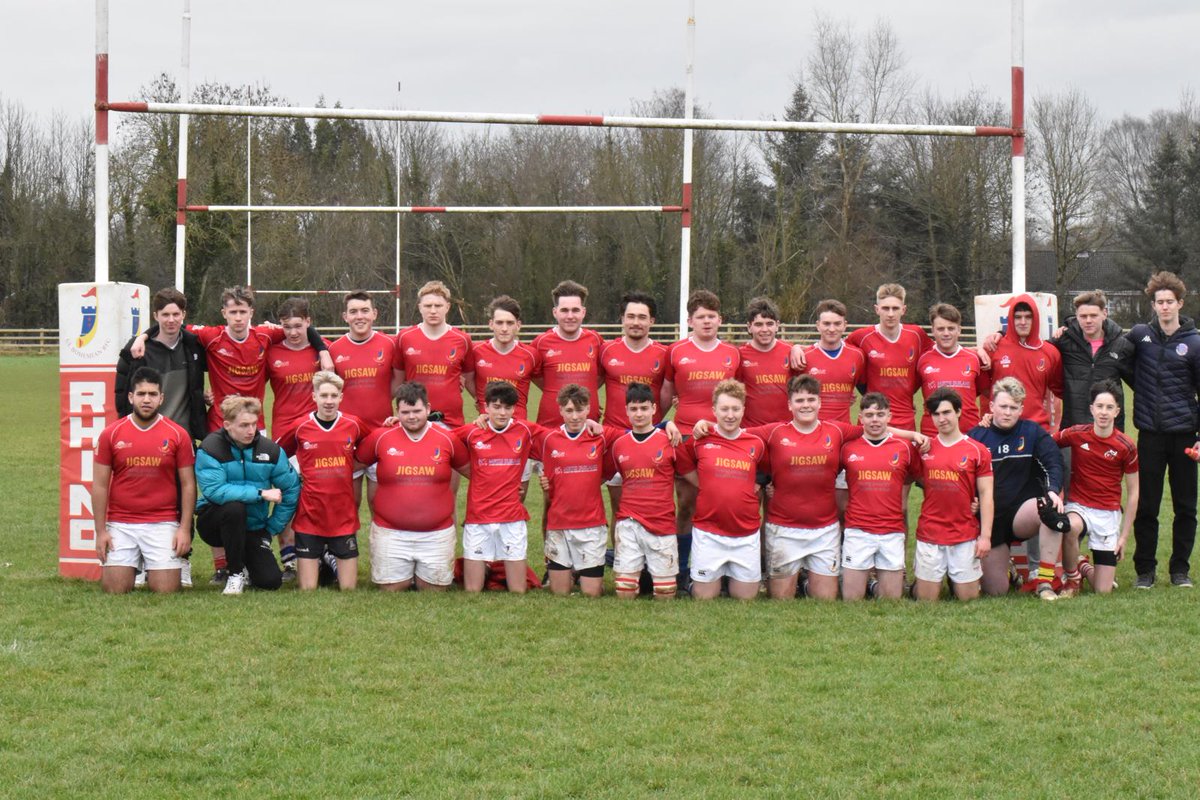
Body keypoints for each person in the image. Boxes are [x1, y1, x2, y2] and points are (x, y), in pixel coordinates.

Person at [1124, 271, 1200, 589]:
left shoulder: (1195, 343)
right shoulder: (1140, 335)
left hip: (1185, 435)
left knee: (1185, 506)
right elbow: (1112, 351)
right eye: (1159, 302)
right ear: (1153, 305)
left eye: (1170, 302)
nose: (1165, 307)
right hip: (1150, 436)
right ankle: (1145, 570)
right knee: (1147, 505)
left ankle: (1179, 570)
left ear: (1180, 304)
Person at [356, 382, 469, 592]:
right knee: (393, 588)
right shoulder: (381, 437)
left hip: (436, 533)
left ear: (428, 408)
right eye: (405, 412)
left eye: (417, 411)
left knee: (433, 590)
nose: (412, 416)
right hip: (390, 532)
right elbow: (350, 464)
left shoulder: (447, 439)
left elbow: (474, 472)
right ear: (397, 412)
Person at [92, 367, 196, 594]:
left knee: (166, 590)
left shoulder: (178, 434)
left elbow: (188, 484)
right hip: (121, 523)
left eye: (152, 394)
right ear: (131, 397)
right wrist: (101, 532)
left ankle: (149, 563)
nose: (146, 399)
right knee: (115, 589)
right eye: (141, 394)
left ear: (161, 398)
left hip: (162, 522)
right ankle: (133, 564)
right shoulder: (111, 433)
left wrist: (184, 529)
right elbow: (99, 485)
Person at [662, 289, 741, 582]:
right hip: (685, 438)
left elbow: (739, 397)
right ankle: (682, 568)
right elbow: (666, 393)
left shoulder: (732, 353)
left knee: (720, 502)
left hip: (722, 438)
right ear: (690, 321)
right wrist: (659, 425)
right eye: (700, 317)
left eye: (711, 316)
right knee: (686, 503)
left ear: (720, 319)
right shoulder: (677, 351)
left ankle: (720, 567)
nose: (706, 322)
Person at [968, 378, 1065, 599]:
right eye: (1003, 406)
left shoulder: (1032, 432)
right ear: (991, 407)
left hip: (1022, 514)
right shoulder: (976, 436)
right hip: (990, 520)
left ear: (1021, 409)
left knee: (1050, 509)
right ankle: (1010, 572)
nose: (1008, 412)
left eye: (1013, 407)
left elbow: (1054, 462)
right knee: (996, 591)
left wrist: (1052, 490)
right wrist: (970, 500)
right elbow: (963, 475)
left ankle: (1045, 581)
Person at [195, 396, 300, 594]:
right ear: (227, 425)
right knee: (235, 507)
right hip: (215, 522)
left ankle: (245, 564)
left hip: (254, 527)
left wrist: (270, 529)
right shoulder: (210, 449)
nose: (251, 431)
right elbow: (216, 491)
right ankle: (235, 574)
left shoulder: (271, 451)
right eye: (244, 425)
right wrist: (261, 494)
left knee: (270, 581)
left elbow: (291, 489)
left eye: (254, 424)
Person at [676, 379, 767, 600]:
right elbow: (681, 460)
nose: (730, 415)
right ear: (714, 410)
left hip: (744, 532)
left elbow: (767, 468)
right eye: (724, 409)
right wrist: (704, 483)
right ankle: (694, 580)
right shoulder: (701, 439)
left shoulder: (756, 442)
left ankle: (728, 577)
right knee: (704, 597)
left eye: (736, 409)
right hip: (709, 532)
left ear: (743, 410)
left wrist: (757, 483)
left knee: (746, 598)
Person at [1054, 381, 1140, 595]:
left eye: (1109, 407)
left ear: (1117, 411)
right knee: (1070, 526)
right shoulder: (1076, 434)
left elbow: (1134, 493)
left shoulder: (1126, 446)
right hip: (1079, 506)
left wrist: (1123, 537)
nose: (1103, 412)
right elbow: (1045, 443)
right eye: (1099, 406)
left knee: (1103, 590)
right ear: (1091, 408)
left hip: (1108, 513)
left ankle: (1083, 565)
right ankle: (1073, 579)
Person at [284, 372, 368, 591]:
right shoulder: (301, 426)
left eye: (334, 395)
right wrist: (292, 478)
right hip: (310, 513)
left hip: (343, 514)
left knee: (348, 589)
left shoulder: (354, 424)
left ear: (341, 397)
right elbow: (278, 454)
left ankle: (330, 558)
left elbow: (372, 447)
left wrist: (352, 465)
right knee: (308, 589)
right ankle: (322, 561)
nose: (329, 401)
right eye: (324, 396)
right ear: (314, 397)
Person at [450, 381, 537, 593]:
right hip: (478, 518)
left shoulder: (525, 430)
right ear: (485, 407)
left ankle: (497, 569)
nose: (502, 412)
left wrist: (591, 424)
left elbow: (559, 438)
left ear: (514, 409)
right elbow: (439, 439)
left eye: (508, 407)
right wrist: (397, 422)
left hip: (512, 519)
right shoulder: (472, 432)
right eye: (496, 407)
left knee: (518, 590)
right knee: (473, 590)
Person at [913, 387, 993, 602]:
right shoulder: (924, 448)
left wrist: (985, 537)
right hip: (930, 533)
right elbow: (885, 432)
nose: (942, 419)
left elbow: (986, 494)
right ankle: (924, 581)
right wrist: (912, 435)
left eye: (946, 412)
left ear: (958, 412)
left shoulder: (977, 450)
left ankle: (953, 576)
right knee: (926, 601)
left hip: (964, 534)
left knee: (968, 599)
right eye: (936, 414)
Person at [604, 382, 682, 600]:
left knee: (665, 595)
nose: (639, 414)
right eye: (634, 409)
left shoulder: (669, 440)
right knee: (624, 592)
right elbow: (604, 475)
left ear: (654, 409)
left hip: (662, 523)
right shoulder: (619, 444)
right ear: (626, 411)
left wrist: (668, 424)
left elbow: (689, 475)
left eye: (644, 408)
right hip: (629, 523)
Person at [840, 393, 920, 601]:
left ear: (889, 417)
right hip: (858, 531)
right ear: (860, 418)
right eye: (869, 414)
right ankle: (864, 581)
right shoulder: (848, 448)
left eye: (880, 414)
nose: (874, 419)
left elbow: (918, 476)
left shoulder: (904, 448)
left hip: (891, 531)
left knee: (892, 598)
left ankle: (874, 585)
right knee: (851, 599)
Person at [329, 291, 402, 510]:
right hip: (348, 437)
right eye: (353, 312)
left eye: (364, 310)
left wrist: (377, 403)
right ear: (345, 316)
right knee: (348, 504)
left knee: (379, 504)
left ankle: (381, 545)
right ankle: (347, 545)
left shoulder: (390, 344)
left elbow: (399, 382)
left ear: (374, 314)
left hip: (381, 433)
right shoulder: (334, 349)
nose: (359, 316)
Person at [535, 385, 610, 597]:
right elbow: (517, 428)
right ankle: (570, 570)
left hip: (591, 524)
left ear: (589, 409)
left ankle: (584, 572)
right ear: (560, 411)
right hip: (560, 524)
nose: (575, 416)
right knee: (559, 592)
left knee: (591, 594)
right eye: (569, 411)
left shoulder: (601, 436)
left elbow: (635, 431)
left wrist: (667, 424)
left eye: (580, 410)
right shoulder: (549, 439)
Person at [265, 297, 320, 580]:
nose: (294, 332)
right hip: (283, 435)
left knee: (314, 495)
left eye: (298, 326)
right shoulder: (271, 352)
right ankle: (289, 558)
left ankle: (318, 553)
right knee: (286, 495)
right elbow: (247, 381)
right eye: (287, 327)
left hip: (315, 435)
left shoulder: (323, 352)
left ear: (308, 323)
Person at [114, 287, 207, 443]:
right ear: (156, 316)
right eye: (165, 314)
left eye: (176, 314)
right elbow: (123, 398)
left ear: (183, 315)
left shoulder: (193, 346)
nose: (171, 320)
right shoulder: (137, 350)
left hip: (183, 439)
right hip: (148, 439)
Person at [844, 283, 932, 430]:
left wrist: (978, 350)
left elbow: (940, 352)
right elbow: (833, 351)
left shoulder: (916, 335)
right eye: (885, 308)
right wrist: (797, 348)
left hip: (905, 420)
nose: (890, 314)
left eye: (895, 308)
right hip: (873, 419)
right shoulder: (861, 337)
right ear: (877, 309)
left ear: (903, 310)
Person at [1050, 290, 1135, 431]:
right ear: (1076, 316)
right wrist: (1001, 334)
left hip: (1109, 430)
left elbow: (1141, 381)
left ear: (1104, 313)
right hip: (1074, 428)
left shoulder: (1122, 346)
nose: (1088, 320)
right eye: (1083, 316)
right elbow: (1034, 348)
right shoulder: (1063, 341)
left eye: (1093, 315)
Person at [394, 280, 473, 427]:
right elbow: (397, 381)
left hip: (451, 421)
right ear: (419, 308)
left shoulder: (463, 339)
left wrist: (484, 407)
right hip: (414, 419)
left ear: (447, 307)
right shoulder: (404, 337)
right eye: (428, 306)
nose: (433, 310)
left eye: (438, 306)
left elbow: (470, 380)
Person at [982, 294, 1062, 432]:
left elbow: (1060, 391)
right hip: (1001, 428)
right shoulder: (994, 347)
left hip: (1036, 428)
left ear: (1035, 319)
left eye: (1028, 317)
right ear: (1011, 320)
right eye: (1018, 317)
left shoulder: (1050, 352)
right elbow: (983, 389)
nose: (1023, 322)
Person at [531, 280, 604, 425]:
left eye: (575, 310)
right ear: (555, 312)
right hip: (550, 427)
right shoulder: (540, 343)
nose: (570, 316)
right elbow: (535, 376)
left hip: (588, 425)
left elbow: (602, 374)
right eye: (564, 310)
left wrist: (587, 393)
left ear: (583, 312)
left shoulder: (596, 340)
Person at [466, 295, 540, 420]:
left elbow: (546, 384)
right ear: (491, 324)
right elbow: (466, 378)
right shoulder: (475, 350)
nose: (504, 328)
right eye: (499, 323)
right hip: (486, 423)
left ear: (518, 325)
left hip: (518, 427)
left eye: (510, 323)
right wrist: (479, 400)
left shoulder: (531, 355)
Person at [917, 303, 984, 437]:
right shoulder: (922, 360)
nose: (946, 333)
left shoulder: (974, 358)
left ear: (959, 330)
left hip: (969, 434)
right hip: (933, 435)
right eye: (941, 329)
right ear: (933, 330)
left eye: (951, 328)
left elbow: (983, 392)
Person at [801, 299, 865, 426]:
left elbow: (865, 388)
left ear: (844, 325)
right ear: (818, 325)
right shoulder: (804, 357)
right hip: (813, 431)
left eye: (837, 323)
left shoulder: (857, 356)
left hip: (844, 431)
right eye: (826, 324)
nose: (832, 329)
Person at [737, 296, 796, 427]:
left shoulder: (792, 351)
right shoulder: (739, 355)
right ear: (749, 327)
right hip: (752, 431)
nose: (765, 330)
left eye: (769, 324)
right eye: (758, 324)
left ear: (777, 326)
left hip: (785, 431)